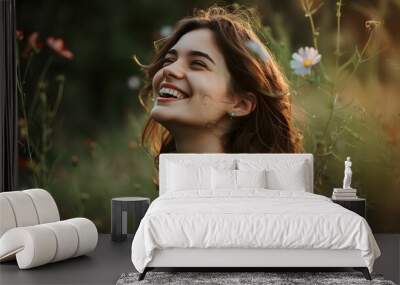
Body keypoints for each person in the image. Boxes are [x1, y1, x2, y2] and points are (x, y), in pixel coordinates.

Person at [135, 5, 303, 184]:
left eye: (197, 64)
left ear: (240, 104)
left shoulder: (251, 200)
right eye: (169, 60)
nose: (169, 70)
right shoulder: (171, 192)